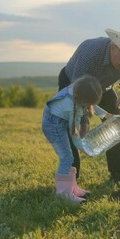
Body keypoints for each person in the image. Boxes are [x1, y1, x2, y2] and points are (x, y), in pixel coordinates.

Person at [57, 23, 120, 185]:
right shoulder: (89, 52)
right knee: (71, 126)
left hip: (103, 86)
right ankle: (71, 177)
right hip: (73, 85)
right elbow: (79, 94)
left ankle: (118, 173)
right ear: (114, 46)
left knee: (117, 122)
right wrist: (95, 114)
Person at [42, 75, 106, 203]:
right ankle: (63, 194)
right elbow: (75, 136)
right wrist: (86, 149)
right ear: (82, 100)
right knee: (67, 157)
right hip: (53, 125)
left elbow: (91, 104)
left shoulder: (78, 90)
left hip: (57, 120)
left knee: (68, 156)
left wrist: (105, 114)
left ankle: (72, 188)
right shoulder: (70, 107)